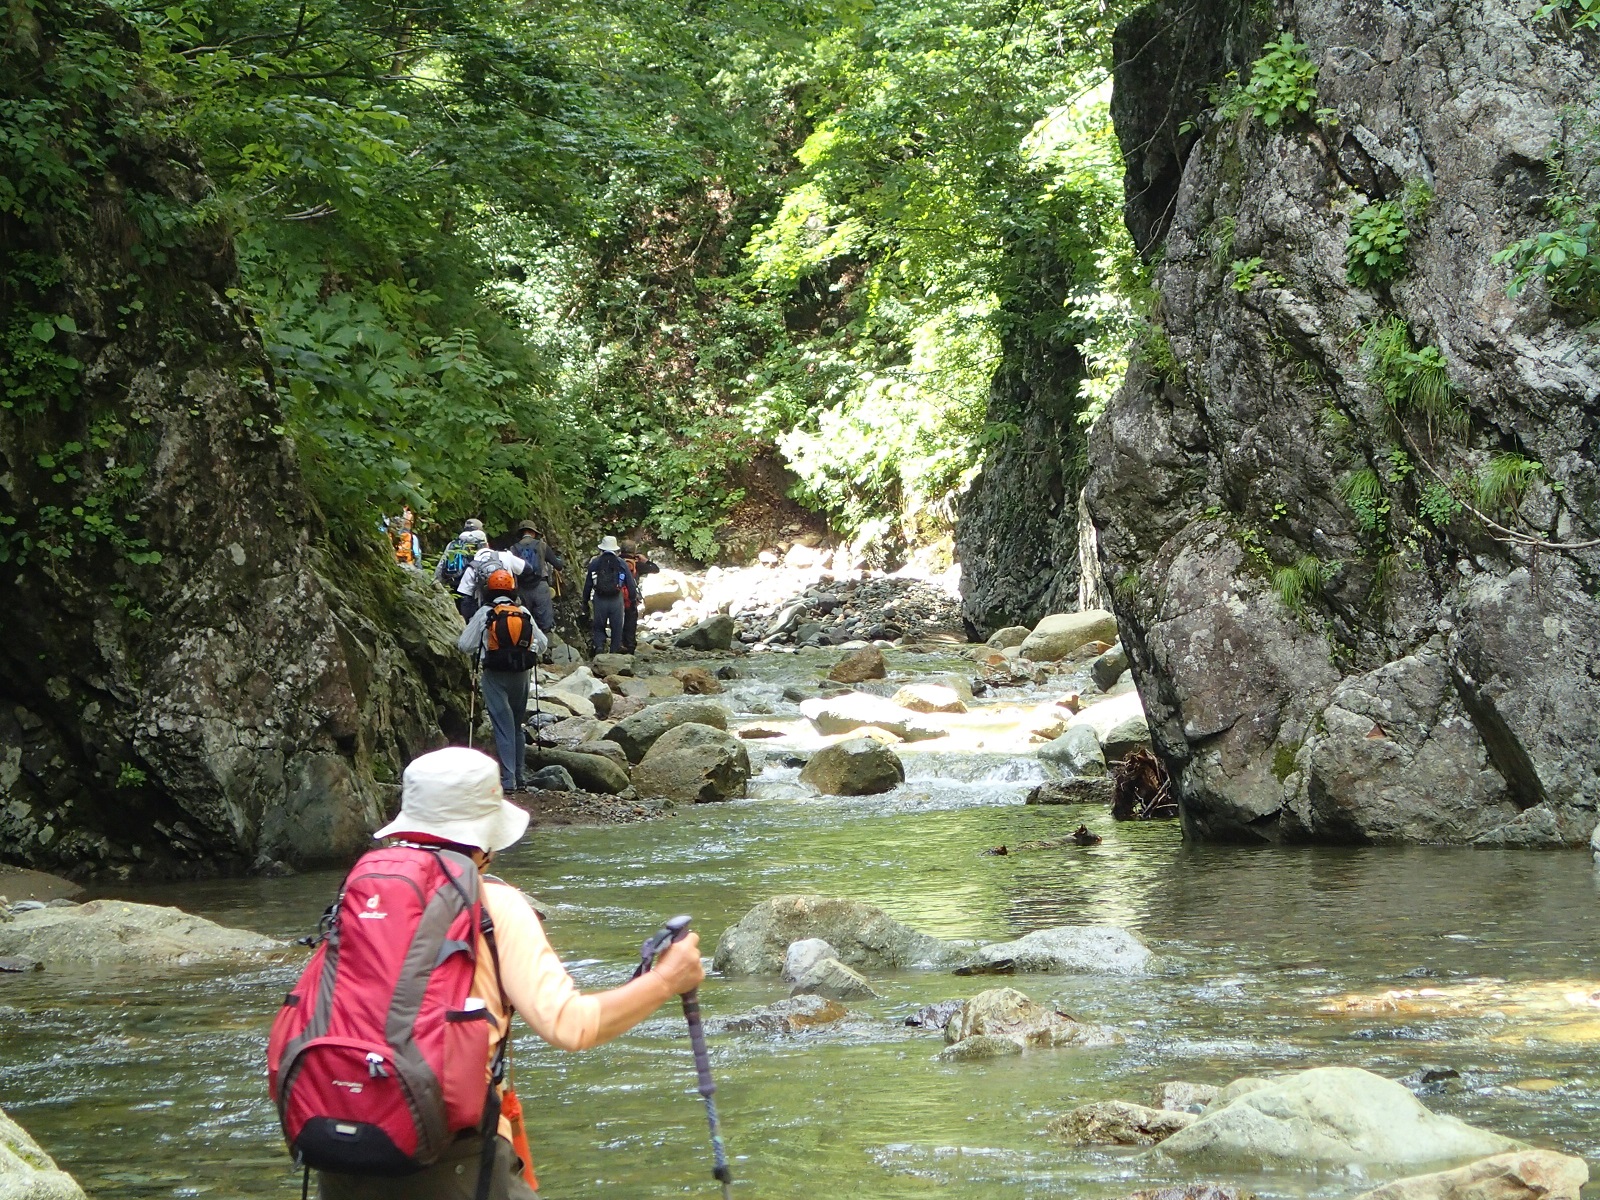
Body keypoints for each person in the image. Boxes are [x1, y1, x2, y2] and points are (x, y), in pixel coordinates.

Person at [296, 746, 705, 1200]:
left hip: (339, 1148)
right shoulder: (494, 905)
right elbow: (572, 1025)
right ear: (485, 837)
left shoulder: (362, 889)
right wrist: (668, 979)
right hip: (452, 1166)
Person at [457, 570, 546, 792]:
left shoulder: (485, 613)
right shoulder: (523, 612)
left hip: (495, 674)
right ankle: (519, 775)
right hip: (522, 674)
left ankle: (508, 781)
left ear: (489, 590)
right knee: (516, 726)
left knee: (502, 726)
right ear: (512, 590)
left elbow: (464, 645)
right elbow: (542, 643)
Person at [508, 520, 565, 641]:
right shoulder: (542, 545)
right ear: (533, 532)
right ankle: (546, 651)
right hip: (540, 586)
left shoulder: (513, 549)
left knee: (525, 620)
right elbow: (558, 565)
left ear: (522, 533)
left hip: (523, 589)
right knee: (545, 623)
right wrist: (561, 559)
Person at [581, 536, 635, 658]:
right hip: (616, 599)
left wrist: (585, 601)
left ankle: (599, 648)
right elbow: (630, 584)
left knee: (599, 626)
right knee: (617, 628)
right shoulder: (621, 563)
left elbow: (588, 584)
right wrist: (632, 601)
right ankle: (614, 652)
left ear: (602, 549)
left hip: (599, 599)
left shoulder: (595, 563)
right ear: (615, 549)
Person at [457, 542, 531, 618]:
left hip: (486, 610)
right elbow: (528, 569)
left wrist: (469, 619)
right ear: (488, 545)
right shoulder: (505, 556)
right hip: (511, 606)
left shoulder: (472, 566)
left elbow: (465, 598)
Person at [436, 527, 489, 619]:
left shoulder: (453, 544)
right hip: (469, 586)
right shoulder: (477, 544)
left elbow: (442, 564)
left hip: (453, 582)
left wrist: (438, 582)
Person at [617, 540, 660, 654]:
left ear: (621, 550)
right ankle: (630, 648)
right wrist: (645, 560)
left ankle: (618, 646)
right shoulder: (637, 564)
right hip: (631, 598)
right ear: (634, 551)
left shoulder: (616, 561)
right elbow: (655, 569)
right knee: (630, 623)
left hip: (616, 598)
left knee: (618, 622)